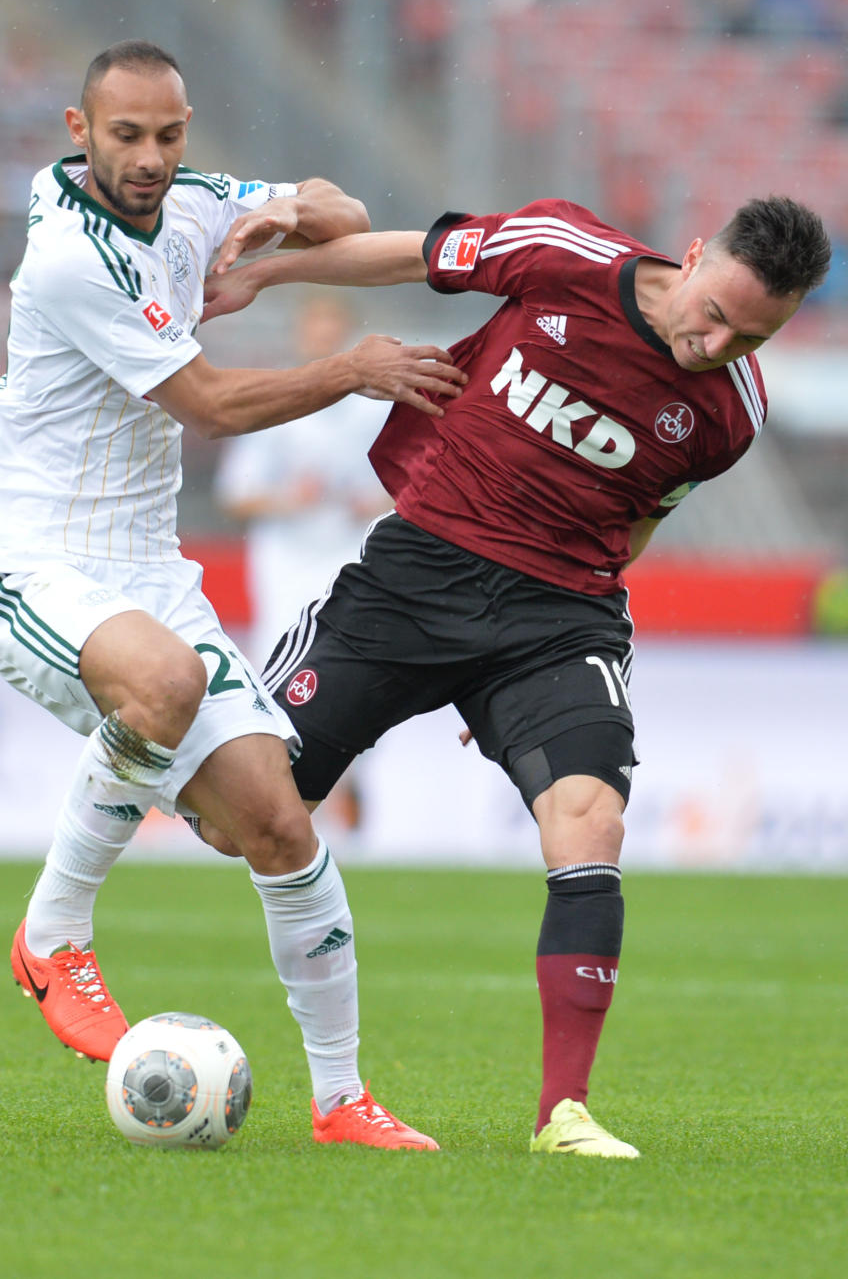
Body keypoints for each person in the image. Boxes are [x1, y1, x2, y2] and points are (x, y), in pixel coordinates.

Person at [199, 193, 831, 1157]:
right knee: (235, 821)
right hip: (417, 574)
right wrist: (267, 272)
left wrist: (507, 677)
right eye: (714, 312)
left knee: (592, 820)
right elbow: (411, 254)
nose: (715, 344)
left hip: (554, 619)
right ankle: (120, 774)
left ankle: (562, 1115)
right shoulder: (561, 252)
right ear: (695, 252)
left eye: (750, 335)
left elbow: (640, 521)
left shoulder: (732, 414)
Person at [0, 39, 466, 1152]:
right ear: (76, 130)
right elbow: (209, 404)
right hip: (37, 564)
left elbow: (345, 211)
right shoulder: (68, 257)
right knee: (166, 683)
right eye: (126, 135)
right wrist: (347, 370)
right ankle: (55, 935)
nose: (149, 158)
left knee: (281, 825)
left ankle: (341, 1102)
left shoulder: (191, 199)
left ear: (188, 129)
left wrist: (287, 213)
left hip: (150, 572)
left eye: (169, 134)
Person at [215, 293, 392, 839]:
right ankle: (277, 785)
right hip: (286, 556)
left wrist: (377, 501)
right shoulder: (282, 404)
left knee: (352, 664)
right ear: (302, 334)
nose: (321, 335)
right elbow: (237, 495)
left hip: (348, 551)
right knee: (278, 662)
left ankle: (348, 783)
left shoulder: (375, 408)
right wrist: (293, 498)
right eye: (313, 325)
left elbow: (410, 486)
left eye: (330, 325)